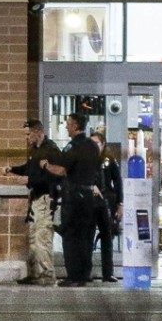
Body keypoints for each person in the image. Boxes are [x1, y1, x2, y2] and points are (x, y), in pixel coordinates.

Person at [42, 113, 100, 287]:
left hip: (74, 197)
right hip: (89, 196)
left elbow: (61, 170)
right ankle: (84, 275)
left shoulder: (72, 146)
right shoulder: (92, 145)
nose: (66, 127)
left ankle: (73, 275)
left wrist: (45, 165)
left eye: (68, 124)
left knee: (71, 236)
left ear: (75, 126)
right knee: (86, 236)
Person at [5, 119, 61, 286]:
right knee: (33, 238)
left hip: (45, 199)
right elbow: (28, 168)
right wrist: (12, 170)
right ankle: (35, 273)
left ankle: (48, 275)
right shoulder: (35, 151)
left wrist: (29, 179)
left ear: (38, 132)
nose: (27, 138)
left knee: (42, 238)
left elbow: (52, 177)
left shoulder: (51, 150)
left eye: (29, 134)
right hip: (35, 199)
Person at [90, 131, 123, 283]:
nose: (93, 146)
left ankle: (107, 272)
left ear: (103, 144)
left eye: (96, 143)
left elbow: (118, 183)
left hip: (105, 203)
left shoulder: (109, 160)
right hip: (89, 202)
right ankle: (85, 271)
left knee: (107, 237)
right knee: (87, 237)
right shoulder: (85, 159)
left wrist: (119, 204)